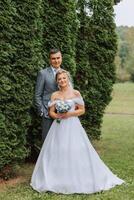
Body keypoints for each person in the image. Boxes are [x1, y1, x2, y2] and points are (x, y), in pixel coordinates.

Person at [31, 69, 124, 194]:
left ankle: (78, 177)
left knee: (75, 148)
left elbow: (82, 110)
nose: (62, 80)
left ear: (68, 79)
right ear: (57, 82)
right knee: (58, 149)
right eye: (59, 79)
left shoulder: (75, 93)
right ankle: (57, 178)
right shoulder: (55, 95)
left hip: (72, 125)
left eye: (64, 78)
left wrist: (69, 113)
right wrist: (57, 116)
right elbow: (51, 112)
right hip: (58, 126)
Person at [35, 49, 62, 141]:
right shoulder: (43, 73)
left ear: (61, 58)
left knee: (61, 140)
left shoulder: (66, 74)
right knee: (47, 141)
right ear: (50, 60)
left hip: (63, 113)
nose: (56, 61)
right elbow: (37, 95)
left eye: (58, 58)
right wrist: (42, 111)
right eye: (53, 58)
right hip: (47, 113)